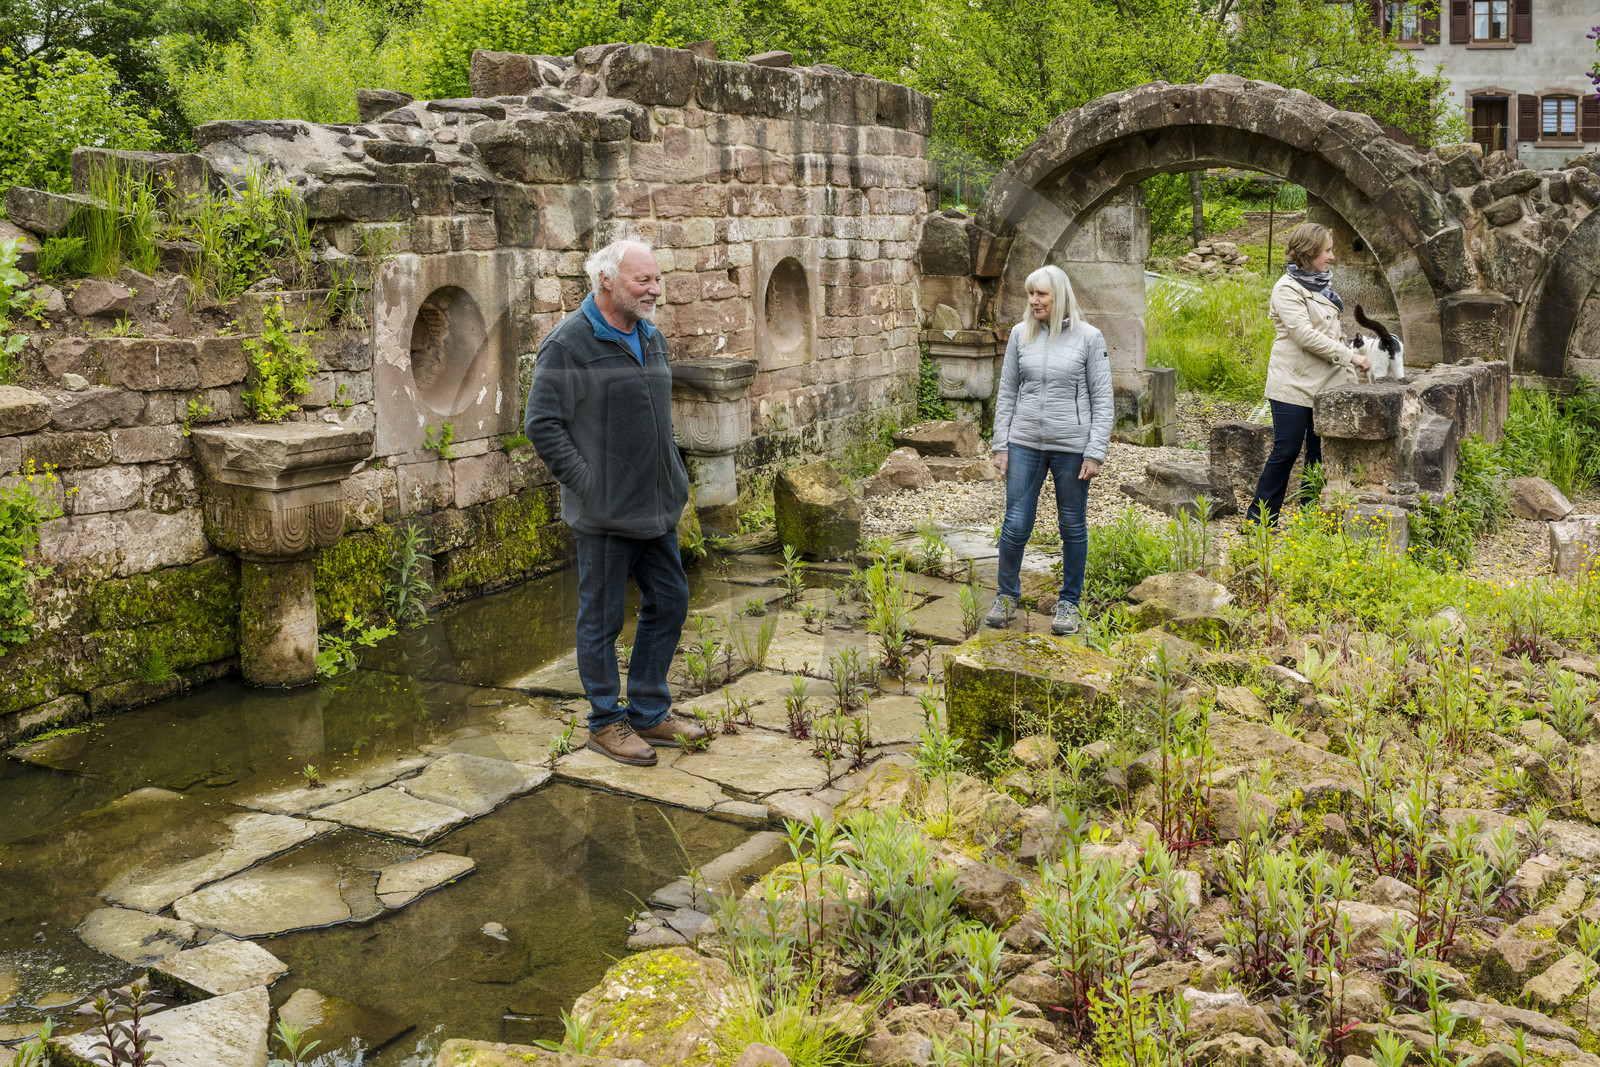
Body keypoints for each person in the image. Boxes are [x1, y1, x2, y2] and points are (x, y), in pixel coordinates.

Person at [524, 238, 710, 767]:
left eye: (656, 278)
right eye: (643, 280)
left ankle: (650, 709)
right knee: (601, 619)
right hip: (604, 514)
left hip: (655, 506)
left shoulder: (650, 336)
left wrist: (671, 478)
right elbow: (542, 426)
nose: (655, 289)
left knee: (669, 601)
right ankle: (606, 722)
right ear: (606, 280)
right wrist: (593, 486)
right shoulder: (569, 345)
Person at [986, 264, 1114, 636]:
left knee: (1072, 526)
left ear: (1059, 295)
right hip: (1024, 442)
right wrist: (1001, 445)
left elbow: (1103, 400)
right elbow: (1007, 391)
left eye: (1041, 294)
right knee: (1015, 525)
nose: (1033, 300)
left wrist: (1095, 451)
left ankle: (1069, 603)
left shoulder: (1089, 338)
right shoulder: (1019, 335)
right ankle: (1007, 596)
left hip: (1072, 447)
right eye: (1030, 294)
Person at [1245, 222, 1371, 527]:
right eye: (1326, 250)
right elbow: (1305, 335)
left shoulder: (1321, 285)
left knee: (1319, 455)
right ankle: (1258, 523)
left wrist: (1351, 375)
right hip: (1293, 384)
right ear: (1309, 252)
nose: (1331, 257)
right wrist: (1351, 357)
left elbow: (1333, 334)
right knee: (1286, 451)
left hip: (1328, 384)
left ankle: (1311, 522)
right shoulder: (1286, 288)